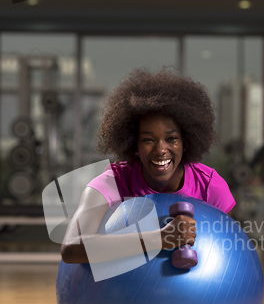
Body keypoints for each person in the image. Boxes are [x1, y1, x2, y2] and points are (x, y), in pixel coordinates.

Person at [61, 67, 235, 267]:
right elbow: (71, 247)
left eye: (171, 138)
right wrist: (158, 239)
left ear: (186, 141)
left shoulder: (210, 187)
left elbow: (227, 256)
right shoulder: (113, 183)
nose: (161, 150)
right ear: (134, 144)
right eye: (148, 140)